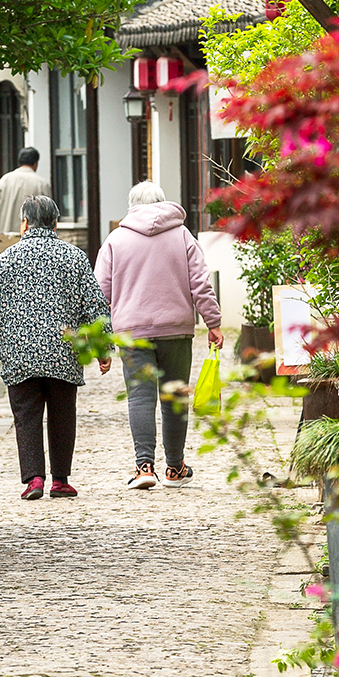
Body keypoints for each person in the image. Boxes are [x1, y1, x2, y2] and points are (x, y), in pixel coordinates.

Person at [0, 195, 111, 501]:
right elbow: (95, 305)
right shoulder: (74, 258)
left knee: (26, 415)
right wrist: (103, 349)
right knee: (63, 414)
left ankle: (34, 478)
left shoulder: (5, 259)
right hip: (64, 353)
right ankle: (60, 480)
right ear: (56, 222)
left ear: (24, 222)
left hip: (19, 354)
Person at [95, 181, 224, 489]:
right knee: (174, 396)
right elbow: (201, 285)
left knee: (140, 397)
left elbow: (100, 292)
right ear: (163, 203)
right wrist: (213, 322)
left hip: (131, 332)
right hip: (175, 330)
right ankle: (176, 468)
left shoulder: (116, 239)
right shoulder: (183, 237)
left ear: (132, 205)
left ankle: (144, 469)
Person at [0, 145, 50, 238]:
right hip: (33, 240)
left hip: (5, 238)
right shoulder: (42, 184)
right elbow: (48, 215)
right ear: (35, 163)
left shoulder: (5, 180)